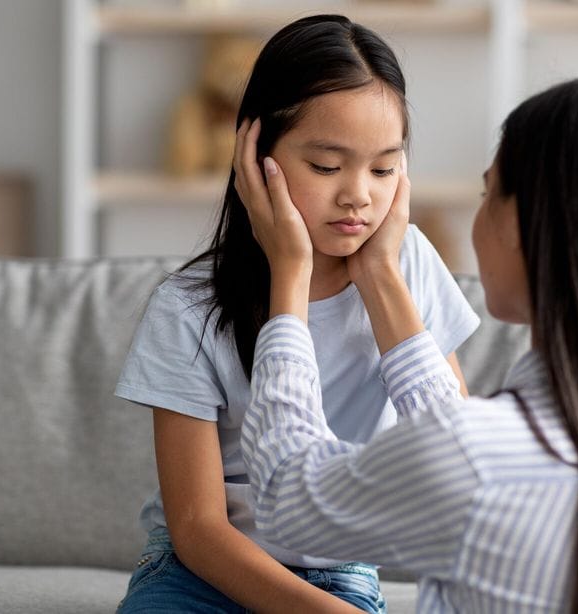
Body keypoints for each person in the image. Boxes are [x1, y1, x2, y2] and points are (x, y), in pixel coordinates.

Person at [238, 77, 578, 613]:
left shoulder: (477, 455)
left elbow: (288, 496)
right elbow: (453, 452)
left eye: (487, 193)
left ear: (519, 222)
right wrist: (379, 270)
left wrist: (288, 275)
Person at [114, 14, 480, 613]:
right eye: (327, 167)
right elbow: (198, 528)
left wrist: (382, 277)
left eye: (384, 168)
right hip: (200, 573)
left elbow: (457, 459)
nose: (359, 194)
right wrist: (291, 272)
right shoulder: (186, 308)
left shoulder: (410, 269)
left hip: (338, 571)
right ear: (256, 156)